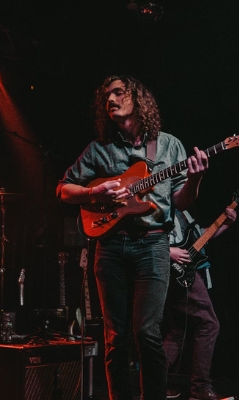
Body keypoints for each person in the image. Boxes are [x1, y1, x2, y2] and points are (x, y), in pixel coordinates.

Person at [56, 74, 210, 400]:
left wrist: (195, 179)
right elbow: (63, 189)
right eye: (106, 97)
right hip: (110, 246)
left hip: (154, 244)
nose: (110, 100)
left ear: (137, 99)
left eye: (118, 93)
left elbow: (182, 201)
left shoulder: (169, 146)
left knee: (147, 333)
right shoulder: (98, 150)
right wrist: (93, 192)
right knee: (115, 337)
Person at [164, 206, 236, 400]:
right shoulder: (163, 203)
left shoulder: (184, 211)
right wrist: (168, 251)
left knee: (177, 332)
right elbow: (146, 237)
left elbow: (200, 237)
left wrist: (226, 223)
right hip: (177, 273)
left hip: (188, 271)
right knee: (210, 325)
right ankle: (200, 389)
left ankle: (154, 383)